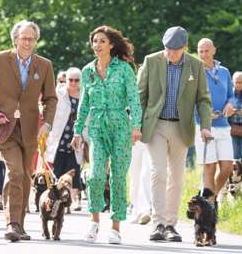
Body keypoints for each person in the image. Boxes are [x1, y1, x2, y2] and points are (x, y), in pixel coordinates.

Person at [0, 20, 57, 242]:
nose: (27, 42)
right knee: (16, 172)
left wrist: (47, 123)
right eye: (23, 38)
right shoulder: (0, 59)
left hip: (31, 130)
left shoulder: (44, 65)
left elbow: (51, 98)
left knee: (25, 178)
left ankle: (19, 224)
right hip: (5, 127)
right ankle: (12, 224)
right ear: (15, 39)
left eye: (31, 39)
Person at [137, 26, 212, 243]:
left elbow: (203, 99)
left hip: (182, 127)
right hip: (156, 125)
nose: (169, 53)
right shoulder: (152, 61)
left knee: (176, 177)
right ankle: (158, 223)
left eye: (174, 50)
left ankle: (171, 225)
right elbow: (140, 95)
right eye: (167, 49)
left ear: (185, 48)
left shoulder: (195, 66)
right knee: (158, 172)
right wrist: (135, 124)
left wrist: (205, 125)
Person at [70, 26, 142, 244]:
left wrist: (136, 126)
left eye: (102, 41)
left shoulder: (124, 69)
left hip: (120, 126)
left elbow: (134, 99)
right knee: (95, 174)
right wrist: (77, 130)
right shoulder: (87, 71)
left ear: (111, 44)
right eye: (94, 41)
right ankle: (94, 221)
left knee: (118, 176)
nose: (97, 45)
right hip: (97, 128)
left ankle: (116, 226)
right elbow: (83, 104)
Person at [195, 38, 235, 202]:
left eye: (206, 50)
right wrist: (204, 114)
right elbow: (190, 99)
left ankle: (208, 199)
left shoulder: (224, 71)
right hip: (204, 126)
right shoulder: (195, 72)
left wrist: (231, 104)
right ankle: (209, 206)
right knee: (209, 167)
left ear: (214, 51)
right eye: (200, 51)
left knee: (226, 168)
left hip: (224, 126)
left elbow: (231, 95)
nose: (203, 54)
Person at [46, 67, 84, 211]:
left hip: (76, 138)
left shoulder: (84, 95)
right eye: (70, 80)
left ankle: (75, 200)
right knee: (58, 169)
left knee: (75, 168)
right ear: (66, 80)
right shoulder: (58, 93)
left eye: (76, 80)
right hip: (59, 137)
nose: (73, 83)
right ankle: (56, 199)